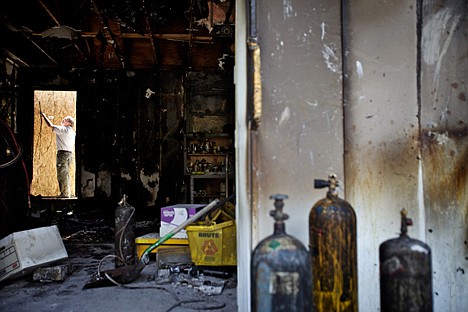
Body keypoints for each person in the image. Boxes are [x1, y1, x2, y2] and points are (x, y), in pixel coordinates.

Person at [40, 112, 76, 198]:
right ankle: (66, 192)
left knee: (62, 173)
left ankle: (65, 194)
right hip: (69, 154)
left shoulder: (64, 129)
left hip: (63, 154)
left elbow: (50, 125)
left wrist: (44, 116)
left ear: (69, 123)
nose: (63, 120)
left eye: (66, 120)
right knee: (65, 173)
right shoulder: (72, 132)